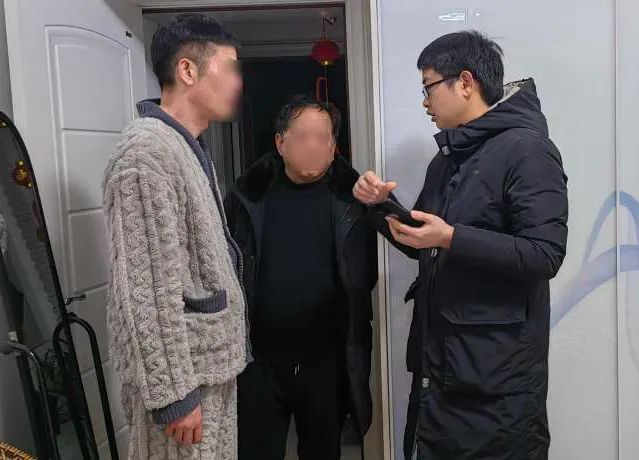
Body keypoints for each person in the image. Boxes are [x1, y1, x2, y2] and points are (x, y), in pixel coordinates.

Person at [353, 31, 568, 459]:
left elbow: (544, 254)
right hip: (441, 371)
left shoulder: (527, 150)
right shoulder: (449, 157)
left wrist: (451, 237)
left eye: (429, 87)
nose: (425, 102)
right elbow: (423, 240)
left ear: (466, 82)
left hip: (497, 385)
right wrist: (379, 206)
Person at [102, 14, 248, 459]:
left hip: (207, 369)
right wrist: (173, 396)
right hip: (185, 385)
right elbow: (145, 289)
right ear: (187, 70)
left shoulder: (183, 147)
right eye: (231, 68)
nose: (239, 82)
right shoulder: (145, 154)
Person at [224, 95, 377, 460]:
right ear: (280, 142)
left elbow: (411, 241)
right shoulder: (247, 199)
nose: (313, 146)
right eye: (303, 136)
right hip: (258, 364)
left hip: (327, 365)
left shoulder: (352, 200)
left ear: (333, 147)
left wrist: (381, 202)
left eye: (323, 138)